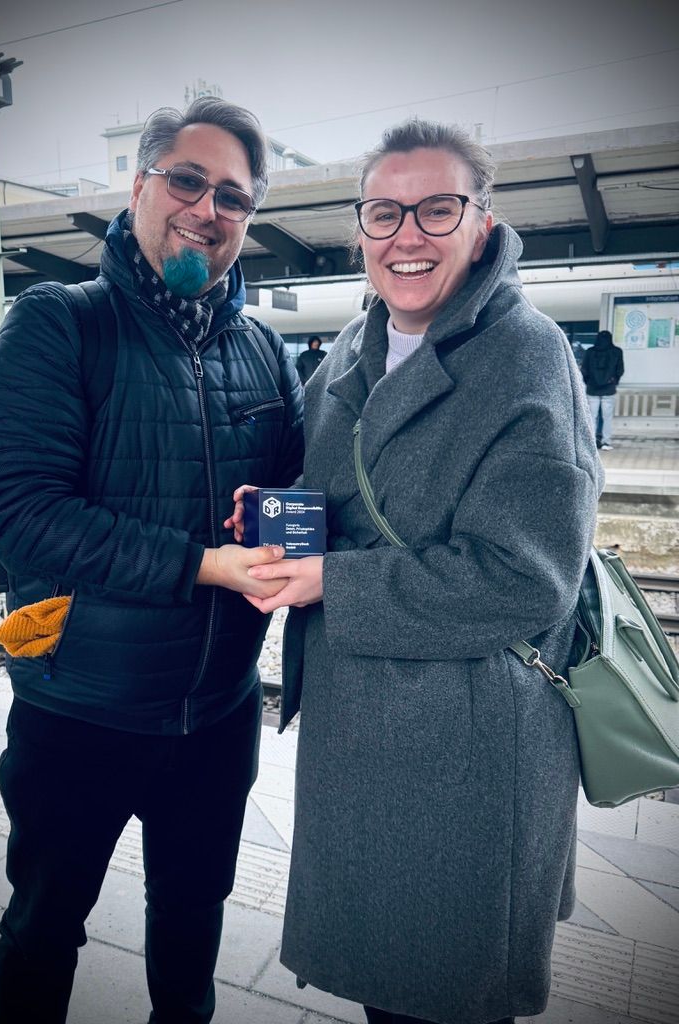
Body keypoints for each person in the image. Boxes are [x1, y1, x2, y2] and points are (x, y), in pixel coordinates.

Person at [233, 120, 602, 1023]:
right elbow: (344, 500)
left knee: (445, 997)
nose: (408, 236)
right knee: (389, 995)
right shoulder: (353, 353)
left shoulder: (526, 354)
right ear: (360, 229)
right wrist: (276, 515)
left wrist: (333, 583)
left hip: (468, 754)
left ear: (482, 222)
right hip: (366, 738)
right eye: (384, 212)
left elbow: (524, 580)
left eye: (437, 210)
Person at [0, 97, 303, 1024]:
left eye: (233, 196)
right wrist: (206, 564)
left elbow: (298, 498)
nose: (206, 208)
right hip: (79, 715)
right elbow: (23, 516)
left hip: (218, 717)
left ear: (249, 217)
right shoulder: (59, 324)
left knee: (192, 930)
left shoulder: (265, 347)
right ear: (141, 182)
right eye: (187, 180)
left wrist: (285, 525)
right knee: (44, 928)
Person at [581, 329, 624, 450]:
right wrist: (614, 380)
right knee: (607, 417)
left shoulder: (590, 352)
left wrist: (589, 381)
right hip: (609, 389)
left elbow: (584, 369)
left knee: (592, 416)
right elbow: (620, 369)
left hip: (592, 389)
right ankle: (606, 442)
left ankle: (591, 442)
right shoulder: (617, 352)